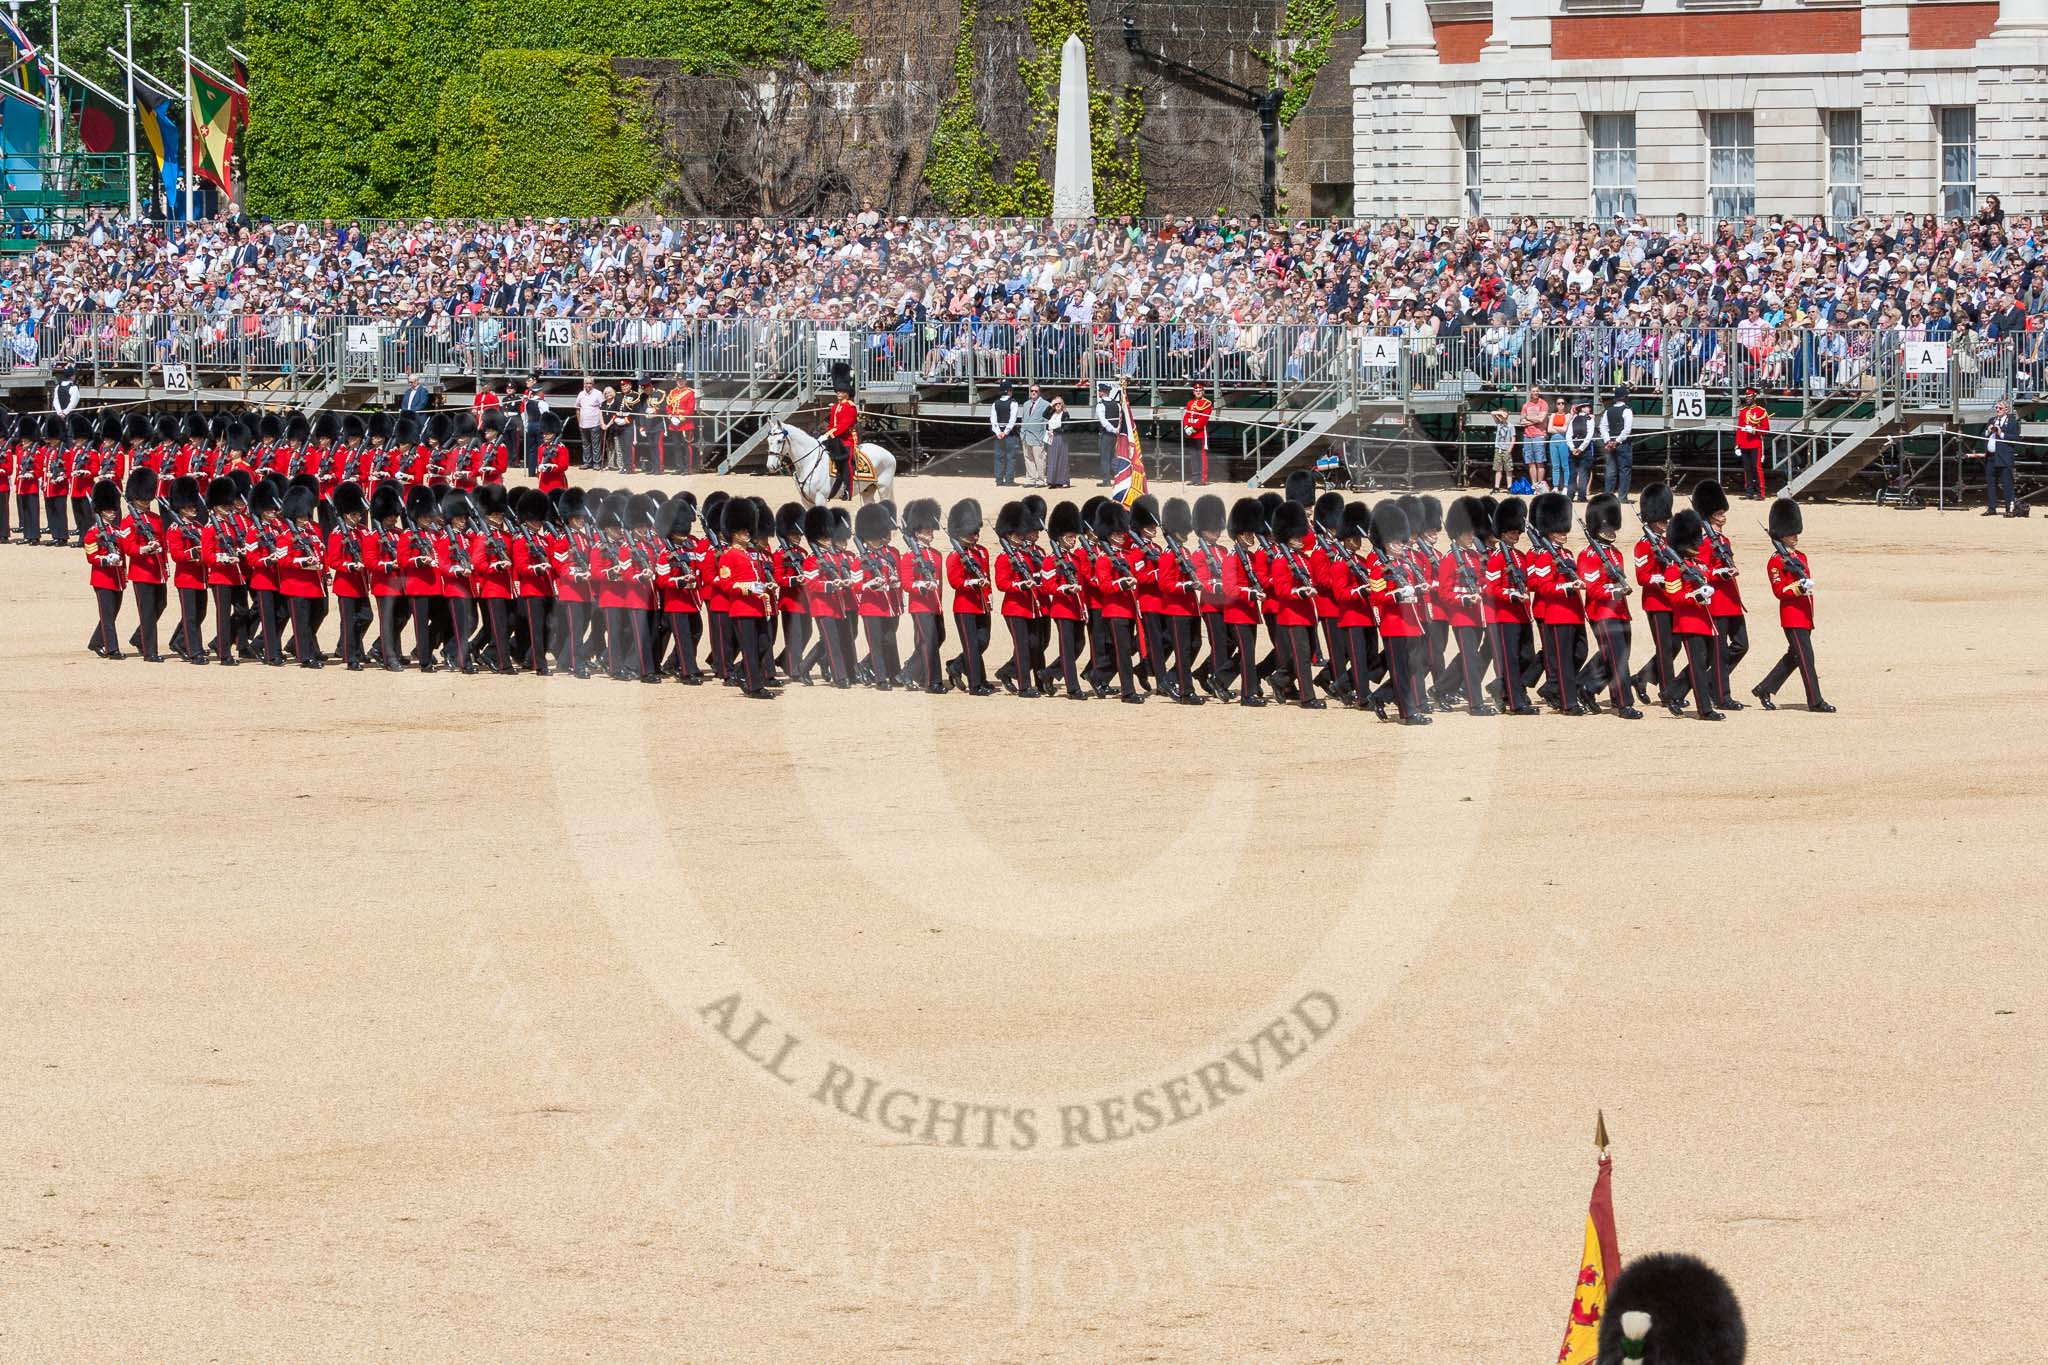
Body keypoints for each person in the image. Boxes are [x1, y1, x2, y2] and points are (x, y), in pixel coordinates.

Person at [1752, 497, 1835, 712]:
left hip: (1805, 614)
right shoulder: (1776, 561)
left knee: (1794, 657)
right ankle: (1815, 701)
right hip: (1792, 616)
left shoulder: (1801, 557)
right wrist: (1798, 588)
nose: (1795, 536)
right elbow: (1779, 591)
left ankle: (1764, 688)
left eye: (1796, 532)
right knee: (1806, 659)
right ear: (1780, 534)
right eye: (1790, 533)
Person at [1577, 492, 1642, 718]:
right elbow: (1592, 588)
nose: (1611, 531)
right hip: (1602, 612)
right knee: (1617, 657)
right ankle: (1624, 703)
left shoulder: (1615, 553)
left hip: (1620, 612)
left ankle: (1586, 686)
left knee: (1614, 654)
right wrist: (1615, 590)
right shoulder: (1588, 555)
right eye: (1606, 525)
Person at [1660, 508, 1724, 721]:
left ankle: (1671, 693)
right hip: (1688, 622)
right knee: (1698, 665)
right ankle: (1704, 709)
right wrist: (1695, 596)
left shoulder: (1696, 566)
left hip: (1705, 619)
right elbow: (1674, 597)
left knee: (1705, 662)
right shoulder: (1673, 569)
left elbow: (1707, 578)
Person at [713, 497, 775, 698]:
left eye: (748, 530)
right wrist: (749, 588)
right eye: (743, 531)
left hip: (757, 606)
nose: (747, 533)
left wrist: (765, 586)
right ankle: (754, 687)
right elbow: (726, 584)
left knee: (764, 644)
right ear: (733, 533)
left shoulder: (752, 554)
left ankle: (743, 674)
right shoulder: (728, 556)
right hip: (741, 608)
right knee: (749, 648)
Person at [944, 499, 992, 694]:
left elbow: (987, 576)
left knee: (982, 642)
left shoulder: (982, 551)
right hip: (965, 606)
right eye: (972, 533)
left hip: (981, 604)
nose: (975, 536)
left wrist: (987, 596)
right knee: (971, 645)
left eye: (976, 532)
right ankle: (976, 684)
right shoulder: (955, 555)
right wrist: (972, 582)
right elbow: (955, 582)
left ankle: (956, 665)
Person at [899, 499, 947, 691]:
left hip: (935, 605)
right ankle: (931, 681)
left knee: (938, 638)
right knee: (929, 642)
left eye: (931, 530)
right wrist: (921, 585)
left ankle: (909, 672)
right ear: (917, 532)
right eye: (927, 531)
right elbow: (906, 583)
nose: (930, 533)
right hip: (920, 606)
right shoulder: (909, 556)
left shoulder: (936, 554)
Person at [83, 478, 126, 658]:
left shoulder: (116, 531)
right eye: (108, 510)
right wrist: (107, 560)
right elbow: (91, 557)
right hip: (102, 579)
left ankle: (95, 642)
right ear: (100, 512)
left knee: (112, 613)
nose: (112, 513)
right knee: (108, 616)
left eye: (113, 510)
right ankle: (112, 649)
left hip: (117, 578)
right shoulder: (93, 532)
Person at [824, 366, 859, 501]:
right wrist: (827, 433)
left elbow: (845, 425)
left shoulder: (850, 407)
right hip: (835, 438)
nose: (838, 393)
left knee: (846, 462)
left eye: (842, 391)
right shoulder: (835, 407)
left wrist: (831, 434)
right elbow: (831, 424)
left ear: (847, 393)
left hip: (847, 439)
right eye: (838, 391)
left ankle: (848, 491)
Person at [1981, 399, 2019, 516]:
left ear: (2006, 410)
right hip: (1991, 457)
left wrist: (2000, 433)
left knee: (2007, 483)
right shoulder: (1991, 420)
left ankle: (2009, 508)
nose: (1998, 410)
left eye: (2000, 408)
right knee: (1991, 483)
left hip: (2004, 457)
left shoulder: (2012, 421)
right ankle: (1992, 508)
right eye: (1996, 408)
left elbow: (2015, 438)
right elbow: (1983, 436)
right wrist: (1988, 431)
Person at [1734, 388, 1771, 498]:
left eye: (1749, 397)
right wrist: (1737, 445)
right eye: (1746, 397)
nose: (1747, 398)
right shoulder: (1743, 411)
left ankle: (1761, 492)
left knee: (1757, 468)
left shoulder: (1761, 411)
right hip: (1745, 444)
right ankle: (1749, 491)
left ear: (1754, 397)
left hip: (1755, 443)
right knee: (1747, 468)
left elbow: (1766, 429)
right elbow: (1739, 429)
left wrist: (1755, 430)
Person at [1598, 388, 1634, 495]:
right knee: (1624, 470)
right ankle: (1622, 496)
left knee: (1610, 470)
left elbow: (1602, 427)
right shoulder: (1627, 410)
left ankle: (1608, 494)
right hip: (1623, 444)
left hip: (1610, 443)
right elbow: (1627, 430)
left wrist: (1608, 440)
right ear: (1624, 398)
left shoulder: (1608, 411)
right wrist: (1617, 441)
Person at [1019, 384, 1051, 488]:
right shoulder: (1026, 404)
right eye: (1032, 390)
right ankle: (1031, 479)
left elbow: (1047, 422)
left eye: (1036, 391)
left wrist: (1044, 437)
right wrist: (1022, 432)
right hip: (1026, 436)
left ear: (1039, 392)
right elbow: (1023, 419)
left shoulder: (1046, 404)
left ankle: (1041, 480)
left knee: (1040, 459)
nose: (1033, 392)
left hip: (1038, 436)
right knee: (1028, 458)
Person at [1181, 381, 1214, 484]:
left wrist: (1193, 429)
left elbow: (1203, 420)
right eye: (1196, 390)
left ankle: (1202, 479)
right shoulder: (1190, 403)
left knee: (1202, 457)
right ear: (1193, 392)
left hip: (1199, 433)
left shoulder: (1207, 403)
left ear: (1203, 392)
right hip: (1190, 433)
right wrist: (1186, 427)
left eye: (1200, 390)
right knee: (1193, 456)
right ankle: (1195, 478)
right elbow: (1186, 416)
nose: (1198, 392)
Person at [1520, 385, 1551, 491]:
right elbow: (1522, 421)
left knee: (1540, 462)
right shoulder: (1526, 405)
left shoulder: (1543, 404)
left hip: (1539, 435)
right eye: (1533, 391)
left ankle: (1539, 485)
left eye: (1537, 391)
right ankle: (1534, 485)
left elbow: (1541, 419)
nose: (1535, 393)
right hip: (1527, 436)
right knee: (1530, 462)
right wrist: (1534, 419)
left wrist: (1528, 418)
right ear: (1530, 392)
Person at [1095, 380, 1124, 486]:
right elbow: (1121, 418)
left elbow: (1104, 422)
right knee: (1114, 456)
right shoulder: (1117, 405)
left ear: (1102, 392)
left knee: (1105, 458)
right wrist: (1117, 429)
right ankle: (1118, 478)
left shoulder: (1100, 405)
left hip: (1106, 434)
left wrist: (1113, 429)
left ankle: (1106, 480)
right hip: (1115, 434)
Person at [573, 377, 605, 468]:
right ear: (584, 384)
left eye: (590, 383)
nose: (588, 385)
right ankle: (587, 462)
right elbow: (577, 408)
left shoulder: (598, 393)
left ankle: (596, 463)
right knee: (585, 444)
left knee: (596, 445)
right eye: (586, 383)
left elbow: (602, 408)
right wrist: (579, 422)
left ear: (593, 384)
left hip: (595, 423)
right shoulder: (581, 394)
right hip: (583, 424)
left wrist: (602, 422)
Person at [1044, 395, 1072, 488]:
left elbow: (1066, 427)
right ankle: (1052, 481)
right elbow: (1044, 414)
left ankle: (1063, 480)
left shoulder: (1065, 414)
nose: (1058, 405)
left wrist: (1054, 431)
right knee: (1052, 459)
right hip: (1051, 438)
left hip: (1060, 438)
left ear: (1063, 405)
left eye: (1060, 403)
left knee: (1062, 459)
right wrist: (1051, 404)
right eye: (1056, 404)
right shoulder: (1052, 413)